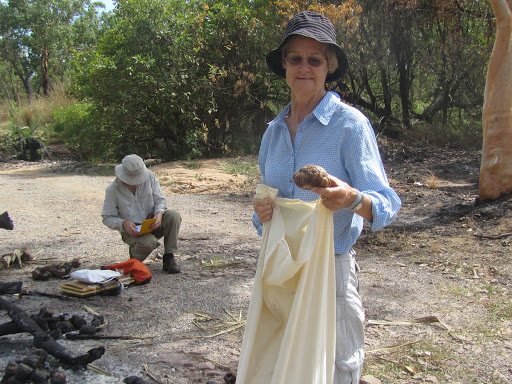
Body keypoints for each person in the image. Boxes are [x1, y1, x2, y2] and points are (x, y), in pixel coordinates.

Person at [252, 11, 401, 384]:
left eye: (314, 59)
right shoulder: (272, 133)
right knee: (282, 362)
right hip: (280, 270)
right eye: (295, 58)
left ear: (328, 66)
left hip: (329, 271)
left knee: (336, 367)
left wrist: (352, 198)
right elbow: (263, 213)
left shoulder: (350, 125)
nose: (304, 67)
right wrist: (261, 210)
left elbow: (387, 203)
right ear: (284, 66)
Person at [102, 154, 182, 274]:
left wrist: (159, 214)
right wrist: (123, 224)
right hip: (132, 231)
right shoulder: (112, 190)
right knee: (149, 242)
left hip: (152, 223)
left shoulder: (149, 177)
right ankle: (134, 258)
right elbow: (107, 217)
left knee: (173, 215)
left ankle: (169, 257)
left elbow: (160, 199)